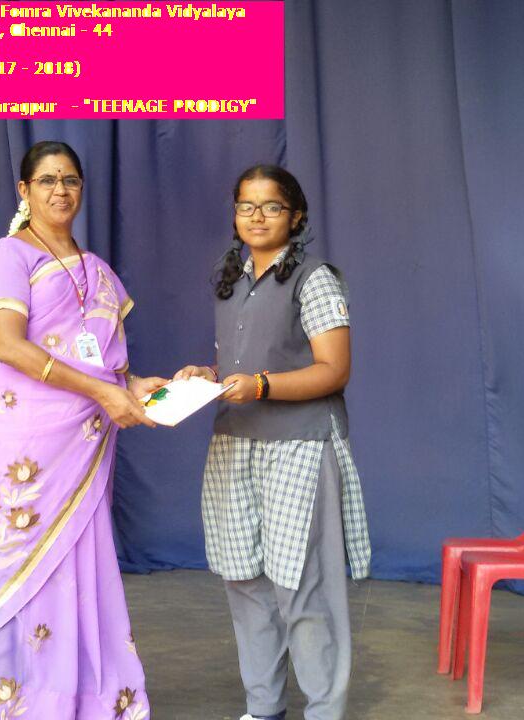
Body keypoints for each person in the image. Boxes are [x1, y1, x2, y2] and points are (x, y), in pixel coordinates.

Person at [0, 140, 165, 720]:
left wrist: (141, 387)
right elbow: (8, 345)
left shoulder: (97, 272)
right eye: (47, 180)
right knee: (19, 569)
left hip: (84, 445)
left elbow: (108, 368)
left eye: (71, 180)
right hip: (27, 446)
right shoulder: (8, 256)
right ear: (24, 191)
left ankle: (83, 703)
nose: (60, 190)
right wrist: (103, 393)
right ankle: (17, 706)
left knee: (81, 568)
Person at [174, 165, 371, 720]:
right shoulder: (232, 279)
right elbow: (246, 364)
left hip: (299, 446)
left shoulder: (314, 279)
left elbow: (334, 370)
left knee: (303, 588)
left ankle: (324, 712)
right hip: (235, 444)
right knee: (244, 581)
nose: (256, 216)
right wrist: (208, 376)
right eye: (246, 205)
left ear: (296, 216)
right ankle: (263, 709)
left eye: (271, 206)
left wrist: (260, 386)